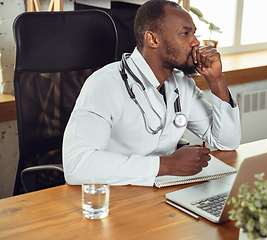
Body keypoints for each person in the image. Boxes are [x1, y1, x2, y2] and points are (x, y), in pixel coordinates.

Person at [62, 0, 241, 186]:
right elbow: (77, 166)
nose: (195, 42)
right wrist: (166, 165)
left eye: (193, 33)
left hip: (161, 193)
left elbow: (226, 141)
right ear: (152, 39)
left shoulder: (181, 84)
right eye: (185, 33)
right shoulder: (104, 84)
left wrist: (216, 80)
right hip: (112, 196)